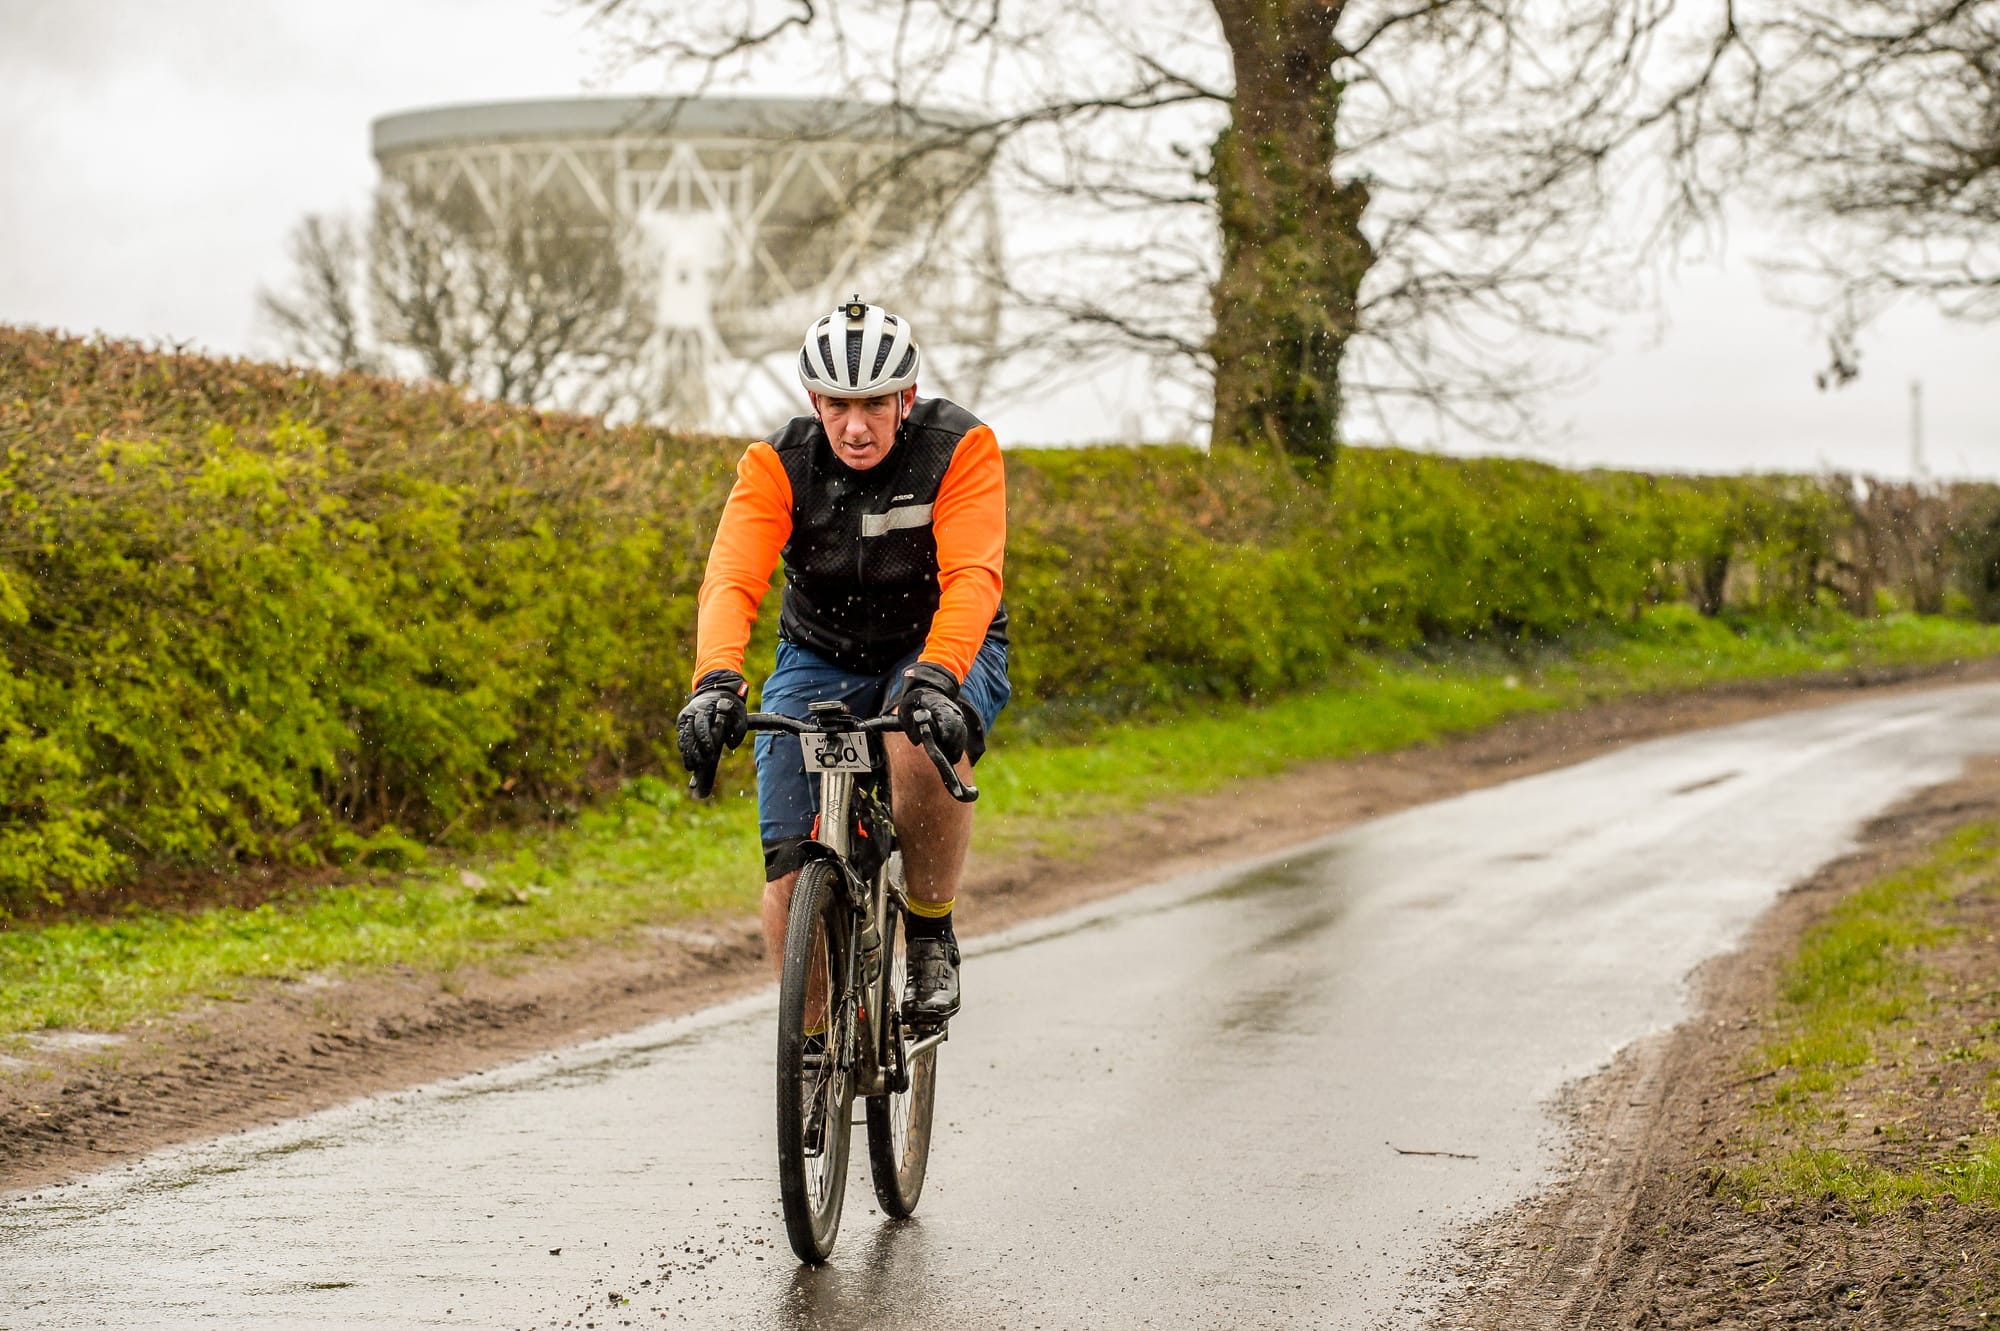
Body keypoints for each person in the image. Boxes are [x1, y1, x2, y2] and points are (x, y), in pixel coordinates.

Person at [675, 296, 1009, 1024]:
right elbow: (731, 579)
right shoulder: (777, 464)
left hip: (940, 645)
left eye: (874, 405)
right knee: (792, 876)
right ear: (813, 399)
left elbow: (974, 579)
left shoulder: (960, 448)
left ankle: (928, 931)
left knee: (913, 740)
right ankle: (823, 1044)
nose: (855, 427)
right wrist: (715, 683)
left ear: (906, 397)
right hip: (820, 650)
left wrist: (939, 677)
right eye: (836, 405)